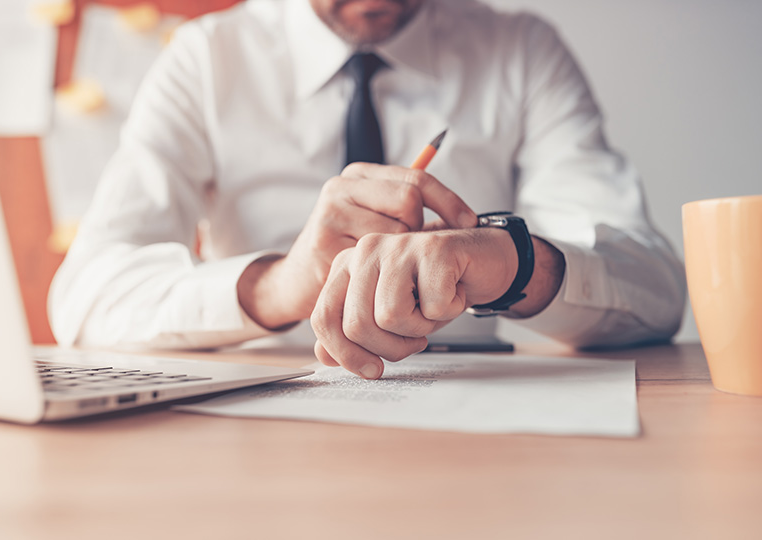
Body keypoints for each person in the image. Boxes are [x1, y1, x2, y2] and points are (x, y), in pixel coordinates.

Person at [49, 0, 686, 379]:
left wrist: (513, 262)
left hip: (484, 414)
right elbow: (84, 299)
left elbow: (655, 291)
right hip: (259, 418)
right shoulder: (206, 58)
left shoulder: (521, 51)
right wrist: (279, 284)